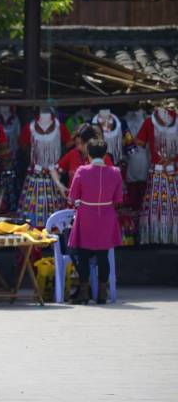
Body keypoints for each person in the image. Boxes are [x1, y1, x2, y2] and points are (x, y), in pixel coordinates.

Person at [67, 139, 123, 304]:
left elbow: (72, 196)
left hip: (86, 215)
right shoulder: (115, 172)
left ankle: (84, 292)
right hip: (106, 215)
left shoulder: (82, 171)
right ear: (105, 155)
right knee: (103, 255)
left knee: (83, 255)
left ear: (89, 155)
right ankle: (102, 293)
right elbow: (118, 199)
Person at [53, 124, 111, 197]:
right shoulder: (73, 153)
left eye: (82, 144)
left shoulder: (103, 157)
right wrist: (59, 184)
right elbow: (54, 169)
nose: (79, 147)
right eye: (77, 144)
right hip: (73, 203)